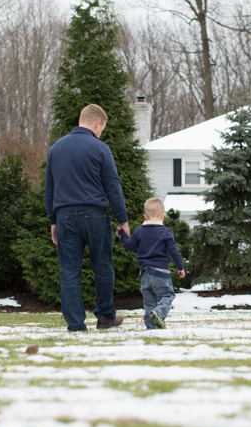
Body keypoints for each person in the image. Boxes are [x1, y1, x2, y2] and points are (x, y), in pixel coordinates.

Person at [45, 103, 130, 332]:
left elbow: (50, 189)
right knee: (102, 267)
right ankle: (105, 317)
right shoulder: (100, 148)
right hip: (95, 216)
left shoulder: (56, 149)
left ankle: (75, 324)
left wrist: (53, 220)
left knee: (70, 271)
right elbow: (113, 186)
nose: (101, 133)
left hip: (64, 217)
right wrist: (122, 220)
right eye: (102, 128)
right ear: (97, 123)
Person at [117, 197, 185, 329]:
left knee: (149, 301)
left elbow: (130, 246)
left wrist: (123, 235)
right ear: (163, 215)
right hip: (161, 273)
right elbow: (174, 252)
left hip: (144, 274)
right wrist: (180, 267)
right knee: (167, 295)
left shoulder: (139, 231)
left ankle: (151, 326)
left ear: (145, 216)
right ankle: (159, 312)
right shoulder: (165, 232)